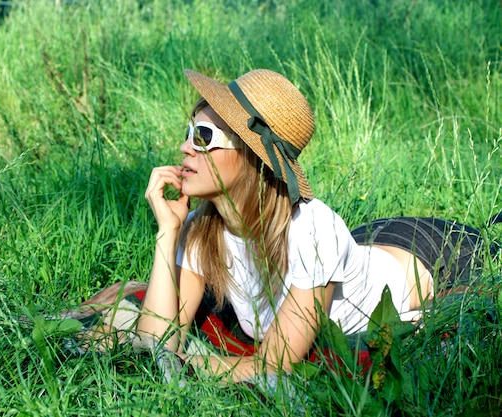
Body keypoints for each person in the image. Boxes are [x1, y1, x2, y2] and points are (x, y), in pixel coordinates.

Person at [59, 69, 497, 384]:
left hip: (436, 259)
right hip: (365, 243)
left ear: (252, 157)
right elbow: (156, 340)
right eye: (189, 131)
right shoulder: (201, 228)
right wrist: (167, 232)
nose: (184, 148)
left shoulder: (311, 229)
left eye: (204, 137)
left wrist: (193, 361)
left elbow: (274, 365)